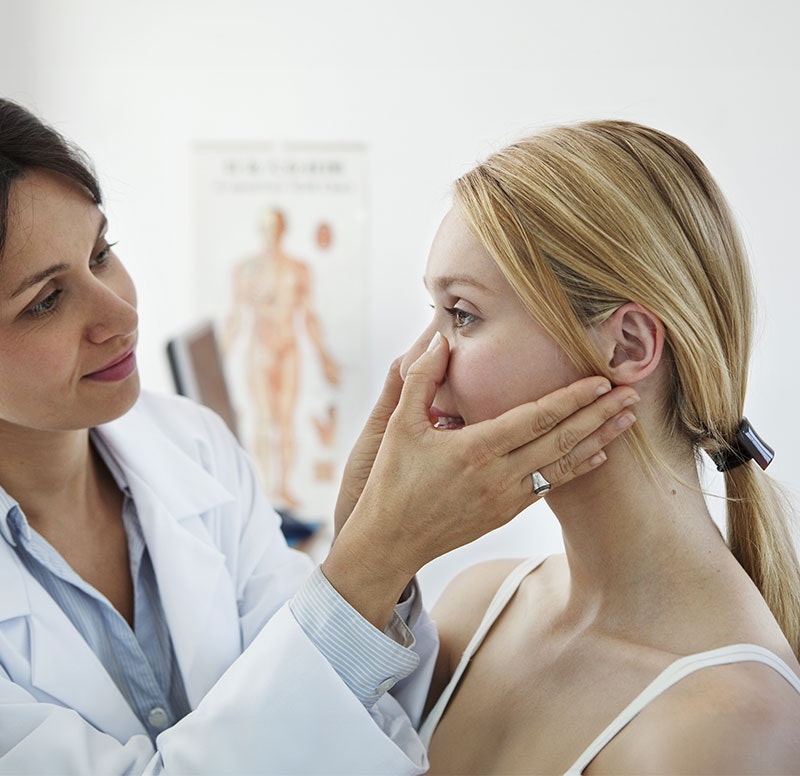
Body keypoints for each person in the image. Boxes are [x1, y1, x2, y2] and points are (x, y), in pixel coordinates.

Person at [0, 97, 638, 775]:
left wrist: (374, 561)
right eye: (43, 302)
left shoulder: (194, 450)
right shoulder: (489, 602)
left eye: (101, 254)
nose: (120, 314)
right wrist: (375, 555)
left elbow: (349, 714)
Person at [408, 120, 800, 774]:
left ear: (626, 347)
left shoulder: (727, 729)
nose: (419, 363)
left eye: (463, 315)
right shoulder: (474, 609)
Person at [224, 207, 339, 509]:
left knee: (286, 420)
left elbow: (309, 316)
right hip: (259, 350)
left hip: (288, 350)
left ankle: (283, 486)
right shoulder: (246, 270)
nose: (270, 234)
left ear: (283, 230)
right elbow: (235, 317)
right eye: (265, 228)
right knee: (264, 419)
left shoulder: (298, 270)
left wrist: (325, 357)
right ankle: (264, 486)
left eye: (274, 227)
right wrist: (220, 356)